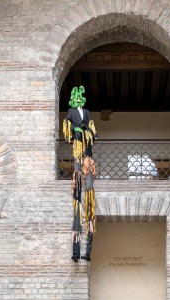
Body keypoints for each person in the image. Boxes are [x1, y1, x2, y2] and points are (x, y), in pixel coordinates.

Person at [63, 86, 97, 262]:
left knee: (90, 199)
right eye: (76, 98)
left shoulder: (88, 113)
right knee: (77, 198)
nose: (78, 100)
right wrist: (74, 130)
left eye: (80, 98)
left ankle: (88, 252)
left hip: (87, 151)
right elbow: (66, 124)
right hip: (77, 149)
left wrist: (90, 133)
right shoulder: (71, 112)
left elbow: (92, 127)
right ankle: (75, 251)